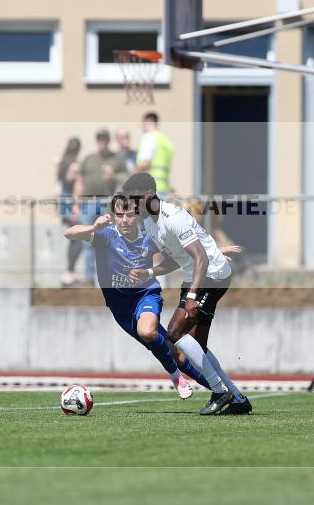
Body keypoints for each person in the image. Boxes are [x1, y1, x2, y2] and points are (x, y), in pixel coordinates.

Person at [63, 193, 214, 400]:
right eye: (119, 215)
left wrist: (217, 252)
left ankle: (176, 377)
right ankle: (220, 389)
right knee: (175, 353)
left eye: (129, 215)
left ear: (138, 216)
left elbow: (180, 255)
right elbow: (69, 233)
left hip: (146, 294)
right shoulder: (106, 235)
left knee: (147, 331)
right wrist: (93, 228)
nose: (124, 220)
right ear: (113, 216)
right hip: (120, 308)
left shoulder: (149, 237)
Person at [123, 172, 251, 415]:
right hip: (196, 275)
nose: (132, 205)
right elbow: (176, 259)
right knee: (197, 345)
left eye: (135, 199)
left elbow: (201, 257)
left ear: (149, 195)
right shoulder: (150, 223)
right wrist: (149, 271)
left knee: (174, 332)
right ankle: (237, 398)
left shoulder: (174, 217)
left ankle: (218, 391)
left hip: (211, 275)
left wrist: (191, 296)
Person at [73, 129, 128, 285]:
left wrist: (113, 176)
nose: (102, 142)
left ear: (108, 141)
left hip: (107, 204)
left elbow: (126, 177)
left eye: (104, 139)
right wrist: (76, 204)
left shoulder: (116, 159)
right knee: (88, 239)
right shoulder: (89, 159)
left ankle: (109, 278)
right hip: (88, 204)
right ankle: (89, 278)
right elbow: (80, 181)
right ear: (96, 140)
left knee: (108, 240)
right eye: (99, 139)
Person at [57, 137, 82, 287]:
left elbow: (58, 187)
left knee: (75, 236)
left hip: (63, 201)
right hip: (70, 201)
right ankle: (69, 272)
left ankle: (70, 272)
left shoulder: (61, 163)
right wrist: (75, 206)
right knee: (77, 237)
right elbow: (76, 187)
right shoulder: (74, 165)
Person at [136, 112, 175, 199]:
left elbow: (145, 163)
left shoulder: (149, 137)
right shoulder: (165, 141)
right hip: (164, 188)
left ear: (147, 122)